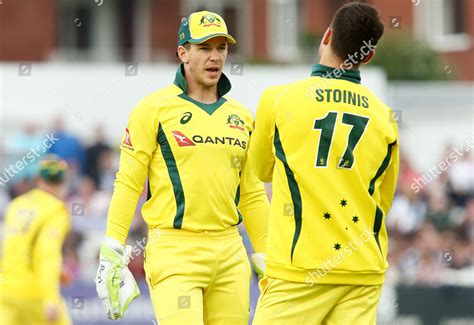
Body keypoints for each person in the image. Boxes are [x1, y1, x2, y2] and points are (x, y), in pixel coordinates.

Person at [95, 10, 269, 324]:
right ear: (183, 53)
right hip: (174, 251)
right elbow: (129, 182)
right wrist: (112, 248)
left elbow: (253, 193)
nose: (215, 57)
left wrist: (268, 254)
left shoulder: (242, 116)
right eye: (204, 48)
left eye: (221, 48)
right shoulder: (153, 108)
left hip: (231, 251)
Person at [250, 2, 399, 324]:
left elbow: (260, 170)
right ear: (369, 56)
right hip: (363, 270)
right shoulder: (384, 116)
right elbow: (383, 200)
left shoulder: (278, 98)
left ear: (327, 35)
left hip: (298, 269)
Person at [0, 155, 72, 325]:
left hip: (6, 291)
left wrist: (58, 271)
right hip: (35, 293)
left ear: (38, 180)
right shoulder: (56, 210)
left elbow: (12, 247)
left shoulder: (15, 205)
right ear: (63, 183)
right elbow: (47, 254)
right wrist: (51, 298)